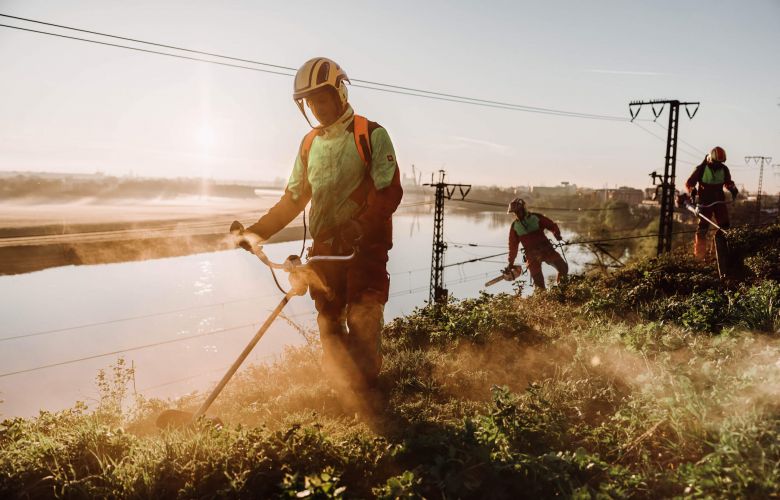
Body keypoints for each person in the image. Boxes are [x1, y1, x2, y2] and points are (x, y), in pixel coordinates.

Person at [232, 57, 402, 395]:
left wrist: (359, 225)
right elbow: (293, 199)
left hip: (364, 250)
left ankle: (371, 401)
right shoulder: (310, 144)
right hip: (325, 253)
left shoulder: (370, 134)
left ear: (339, 93)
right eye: (310, 102)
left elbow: (389, 192)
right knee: (329, 325)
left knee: (363, 322)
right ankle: (344, 398)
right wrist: (255, 233)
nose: (317, 107)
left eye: (322, 98)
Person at [685, 146, 738, 259]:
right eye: (716, 162)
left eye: (720, 163)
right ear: (710, 159)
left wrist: (732, 188)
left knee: (725, 227)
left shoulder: (724, 169)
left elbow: (727, 182)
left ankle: (718, 253)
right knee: (703, 228)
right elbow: (690, 183)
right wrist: (692, 190)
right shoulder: (701, 169)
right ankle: (699, 255)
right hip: (705, 202)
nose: (718, 165)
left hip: (719, 201)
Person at [505, 198, 568, 291]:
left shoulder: (536, 217)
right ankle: (543, 301)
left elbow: (551, 225)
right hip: (532, 255)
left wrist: (557, 234)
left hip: (547, 250)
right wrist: (510, 263)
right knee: (539, 283)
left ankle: (560, 292)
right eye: (515, 212)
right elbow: (513, 246)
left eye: (519, 211)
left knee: (563, 268)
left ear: (523, 209)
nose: (517, 214)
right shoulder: (515, 227)